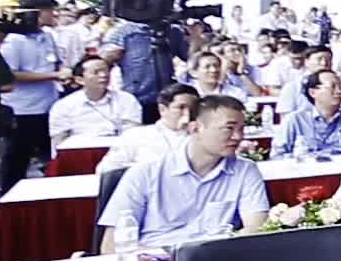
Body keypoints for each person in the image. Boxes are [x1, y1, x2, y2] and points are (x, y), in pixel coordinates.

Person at [98, 95, 270, 251]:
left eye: (241, 129)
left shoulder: (246, 170)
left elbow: (256, 229)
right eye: (229, 129)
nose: (238, 137)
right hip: (154, 260)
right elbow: (110, 246)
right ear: (195, 129)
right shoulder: (145, 172)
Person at [0, 0, 66, 189]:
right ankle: (10, 197)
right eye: (50, 11)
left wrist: (60, 74)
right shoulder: (14, 40)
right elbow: (10, 74)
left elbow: (53, 61)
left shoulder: (47, 35)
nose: (55, 14)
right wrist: (53, 76)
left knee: (51, 155)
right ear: (36, 13)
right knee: (17, 158)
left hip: (48, 104)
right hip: (22, 109)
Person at [47, 55, 143, 152]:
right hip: (80, 154)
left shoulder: (127, 99)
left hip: (118, 152)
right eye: (96, 72)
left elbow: (133, 133)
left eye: (106, 71)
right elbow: (58, 142)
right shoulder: (63, 106)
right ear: (80, 80)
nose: (103, 75)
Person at [97, 84, 199, 174]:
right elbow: (106, 169)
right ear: (162, 109)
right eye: (181, 108)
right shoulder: (136, 135)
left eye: (192, 108)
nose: (187, 114)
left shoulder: (201, 137)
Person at [275, 70, 341, 156]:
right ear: (313, 92)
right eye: (333, 87)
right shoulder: (295, 120)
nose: (339, 91)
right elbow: (277, 155)